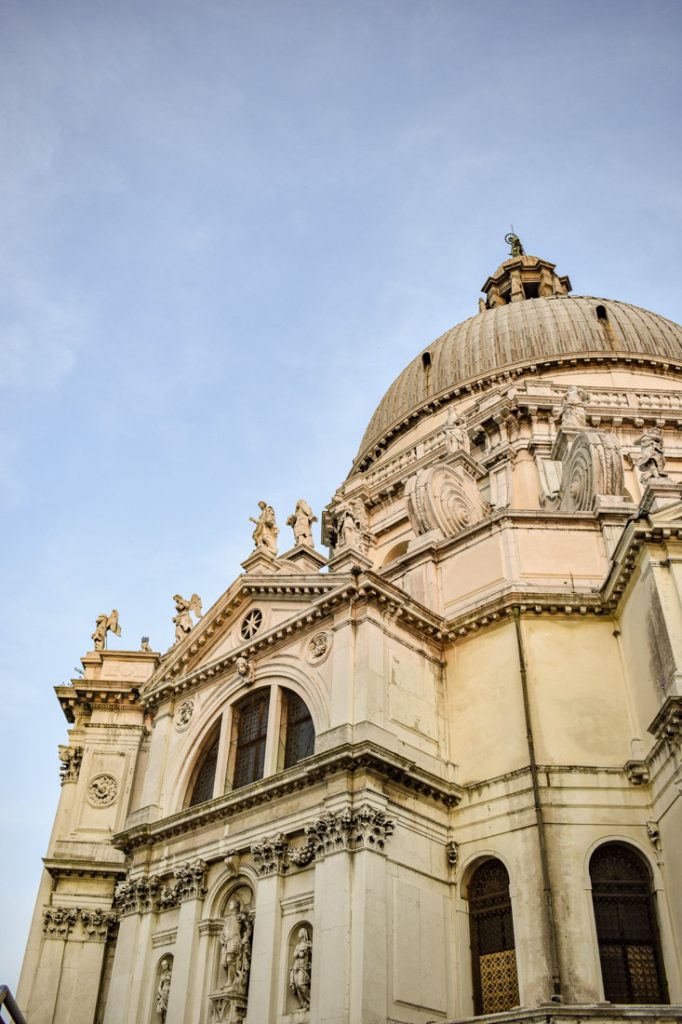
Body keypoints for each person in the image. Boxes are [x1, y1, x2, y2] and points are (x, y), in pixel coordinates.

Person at [289, 927, 312, 1009]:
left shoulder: (307, 945)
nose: (298, 934)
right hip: (296, 967)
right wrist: (300, 950)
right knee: (297, 986)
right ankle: (303, 1003)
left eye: (299, 932)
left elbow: (311, 953)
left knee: (301, 984)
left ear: (303, 933)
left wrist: (308, 947)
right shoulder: (298, 945)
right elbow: (295, 955)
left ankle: (310, 1000)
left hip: (303, 967)